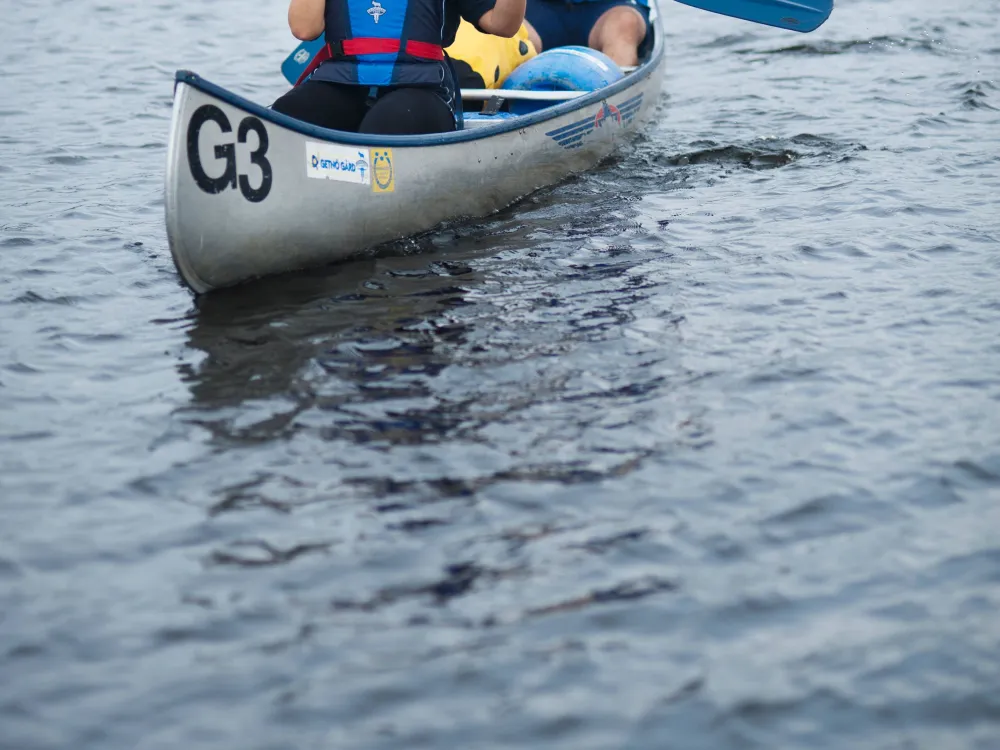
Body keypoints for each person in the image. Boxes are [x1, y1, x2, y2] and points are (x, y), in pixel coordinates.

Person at [273, 0, 526, 134]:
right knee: (285, 115)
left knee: (385, 126)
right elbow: (304, 28)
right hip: (342, 82)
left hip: (420, 88)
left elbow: (502, 24)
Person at [522, 0, 648, 67]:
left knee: (624, 25)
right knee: (509, 32)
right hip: (535, 9)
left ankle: (616, 101)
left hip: (606, 7)